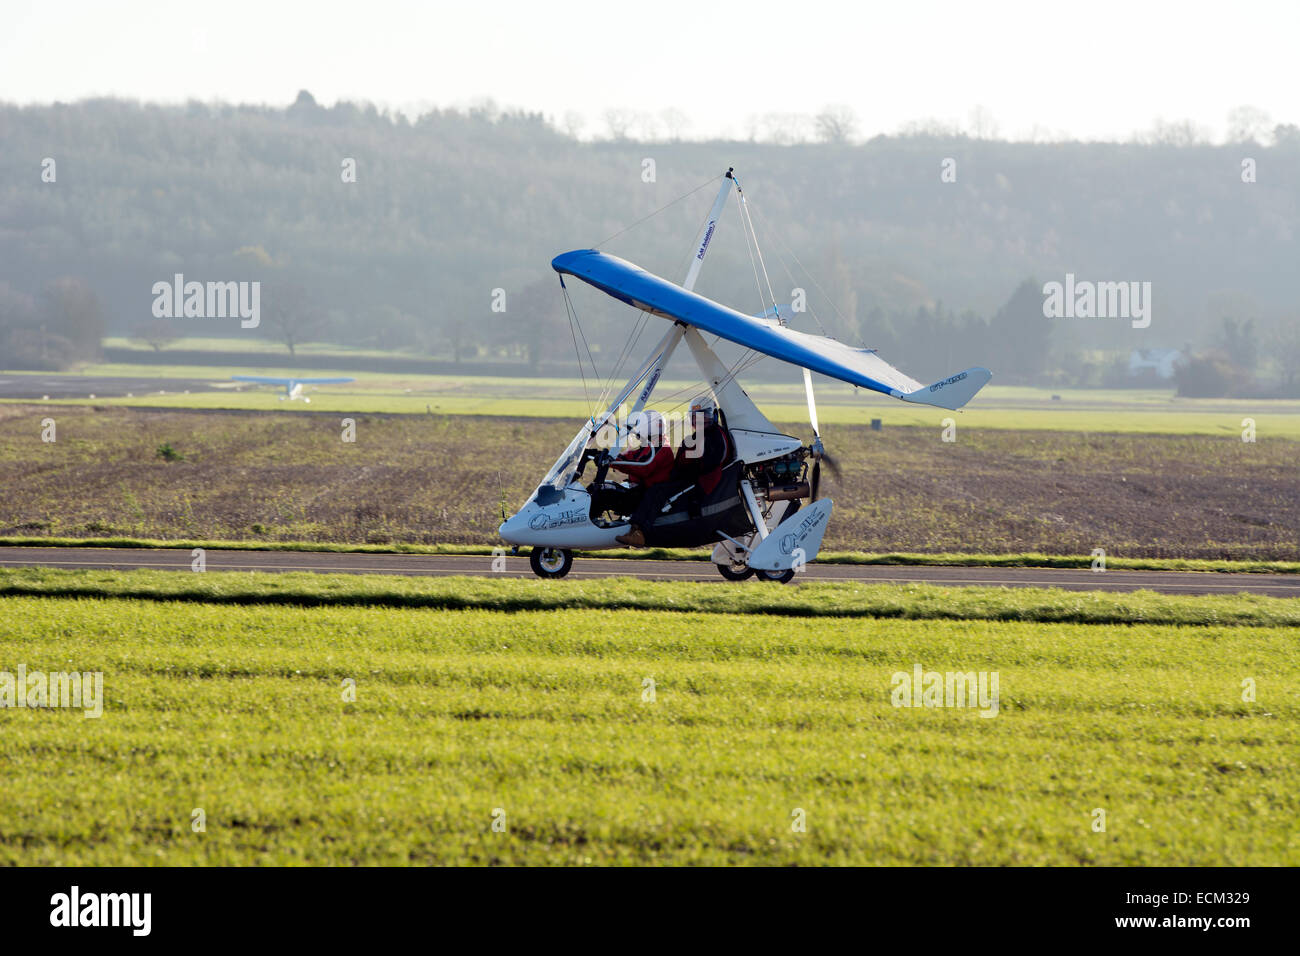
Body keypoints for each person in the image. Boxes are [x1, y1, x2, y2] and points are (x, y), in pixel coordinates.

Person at [616, 395, 733, 547]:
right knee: (654, 489)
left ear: (714, 416)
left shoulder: (716, 435)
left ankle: (640, 533)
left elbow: (715, 459)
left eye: (704, 417)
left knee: (656, 491)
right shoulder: (700, 436)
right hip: (689, 478)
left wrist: (692, 462)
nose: (698, 421)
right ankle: (633, 529)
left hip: (700, 483)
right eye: (695, 418)